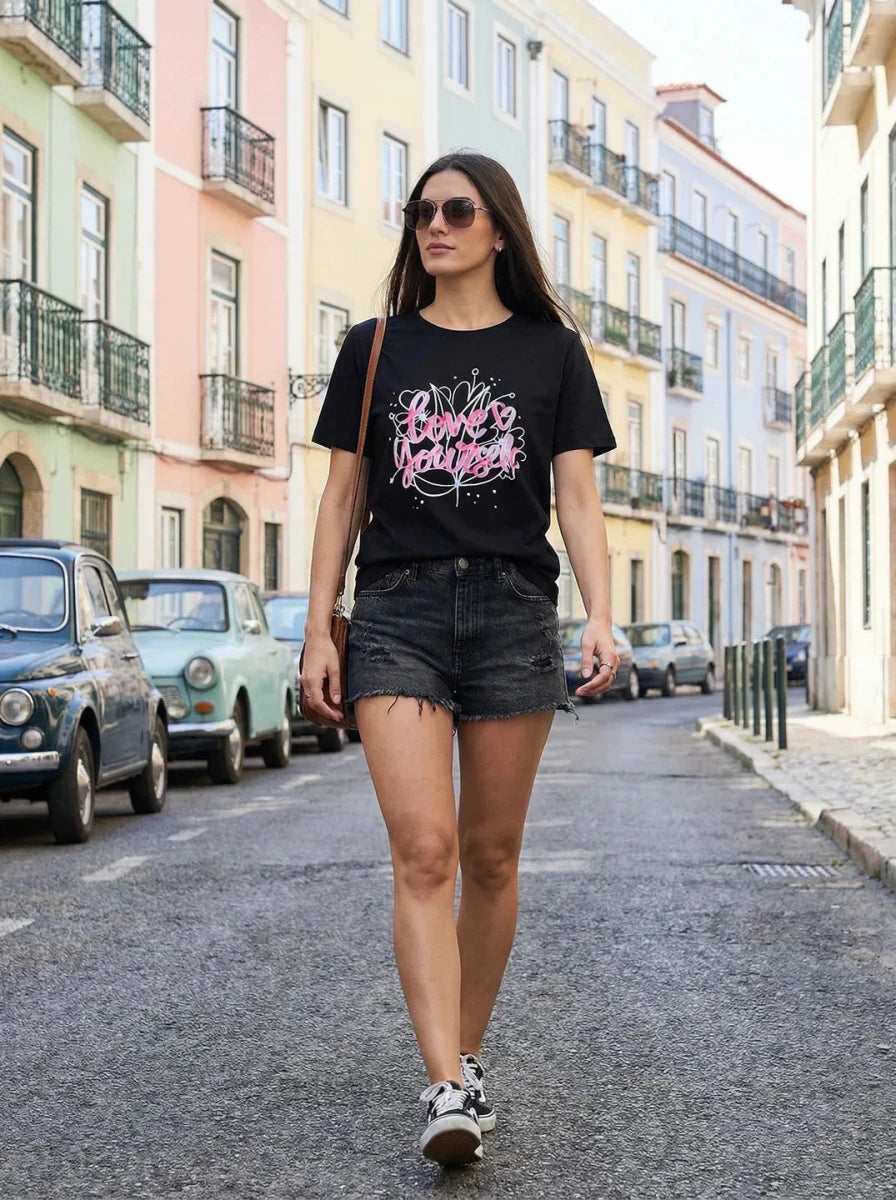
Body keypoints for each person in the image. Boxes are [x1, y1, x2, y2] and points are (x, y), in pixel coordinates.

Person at [301, 151, 619, 1166]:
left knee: (488, 856)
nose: (432, 225)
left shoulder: (551, 353)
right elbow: (342, 497)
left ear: (496, 230)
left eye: (454, 210)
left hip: (512, 610)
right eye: (419, 212)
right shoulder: (374, 347)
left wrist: (601, 616)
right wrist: (319, 626)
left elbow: (575, 499)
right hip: (393, 612)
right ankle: (443, 1083)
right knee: (425, 850)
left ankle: (467, 1053)